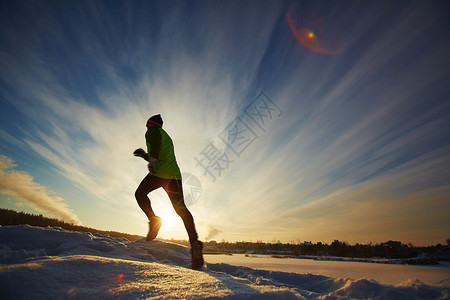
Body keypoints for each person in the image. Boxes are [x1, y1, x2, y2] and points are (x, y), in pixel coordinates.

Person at [134, 114, 204, 269]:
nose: (146, 129)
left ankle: (153, 219)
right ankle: (195, 245)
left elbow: (156, 150)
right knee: (181, 209)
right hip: (173, 176)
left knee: (140, 194)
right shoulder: (164, 135)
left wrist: (151, 162)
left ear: (149, 125)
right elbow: (159, 153)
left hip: (158, 175)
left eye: (147, 126)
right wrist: (145, 155)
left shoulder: (152, 132)